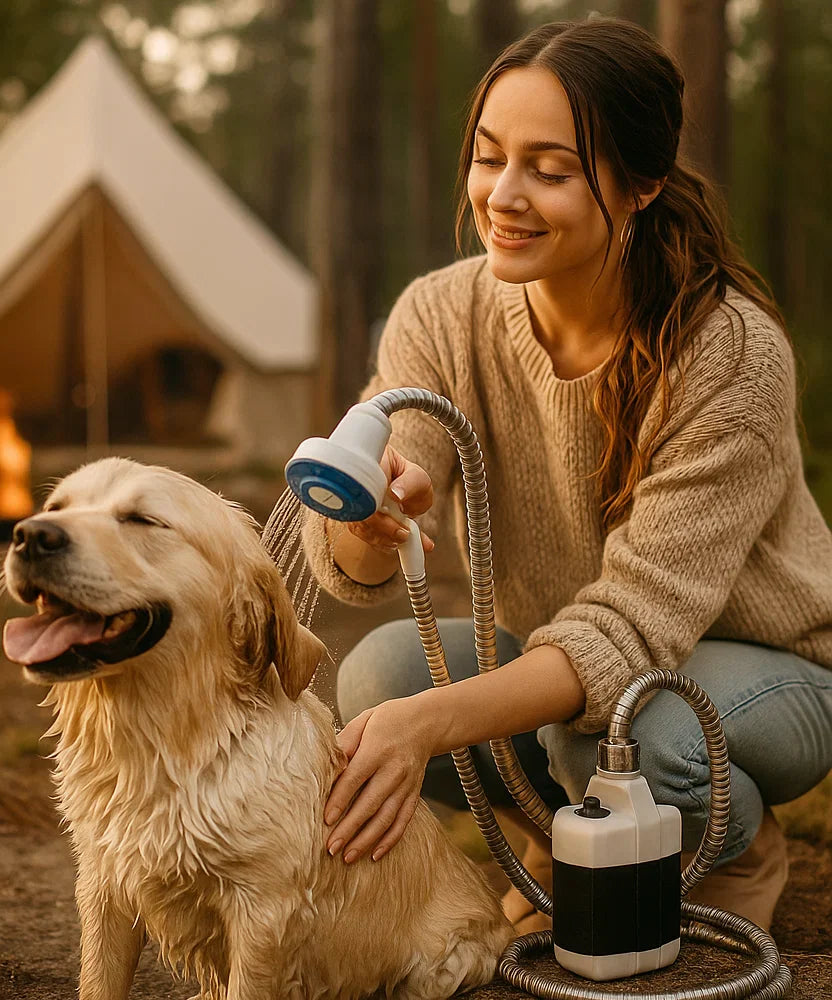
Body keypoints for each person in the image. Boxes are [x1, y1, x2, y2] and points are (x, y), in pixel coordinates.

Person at [301, 17, 832, 933]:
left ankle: (728, 855)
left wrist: (432, 727)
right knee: (386, 673)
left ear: (642, 186)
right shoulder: (442, 313)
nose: (502, 196)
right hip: (584, 663)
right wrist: (371, 518)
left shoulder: (729, 353)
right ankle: (572, 840)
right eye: (487, 157)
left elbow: (631, 628)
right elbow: (362, 550)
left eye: (549, 170)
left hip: (776, 666)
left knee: (637, 730)